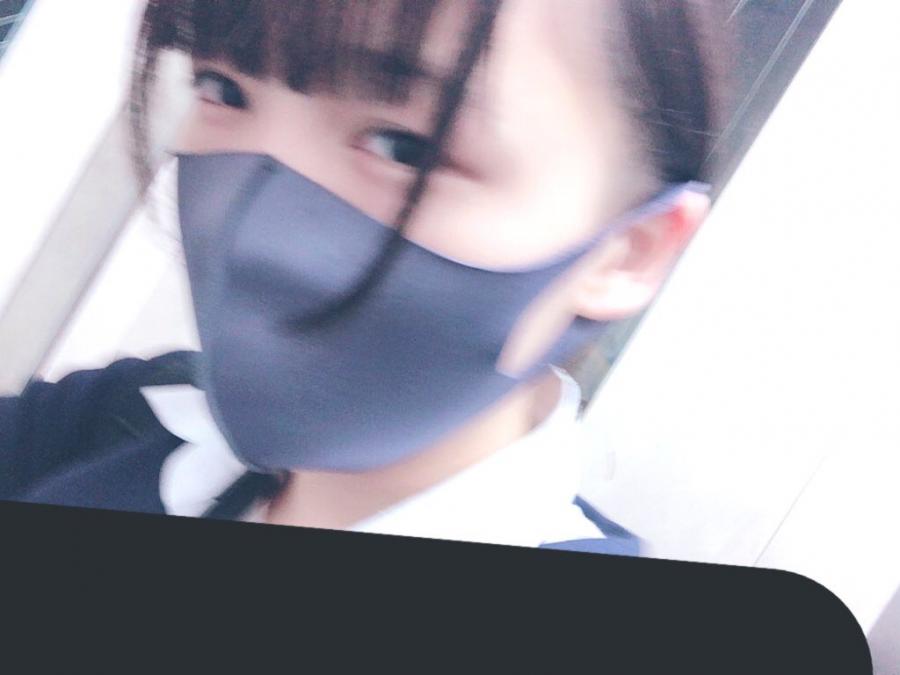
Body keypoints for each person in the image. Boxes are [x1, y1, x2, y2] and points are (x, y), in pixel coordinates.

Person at [1, 0, 729, 554]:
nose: (254, 233)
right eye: (222, 89)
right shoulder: (123, 418)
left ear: (628, 253)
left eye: (404, 147)